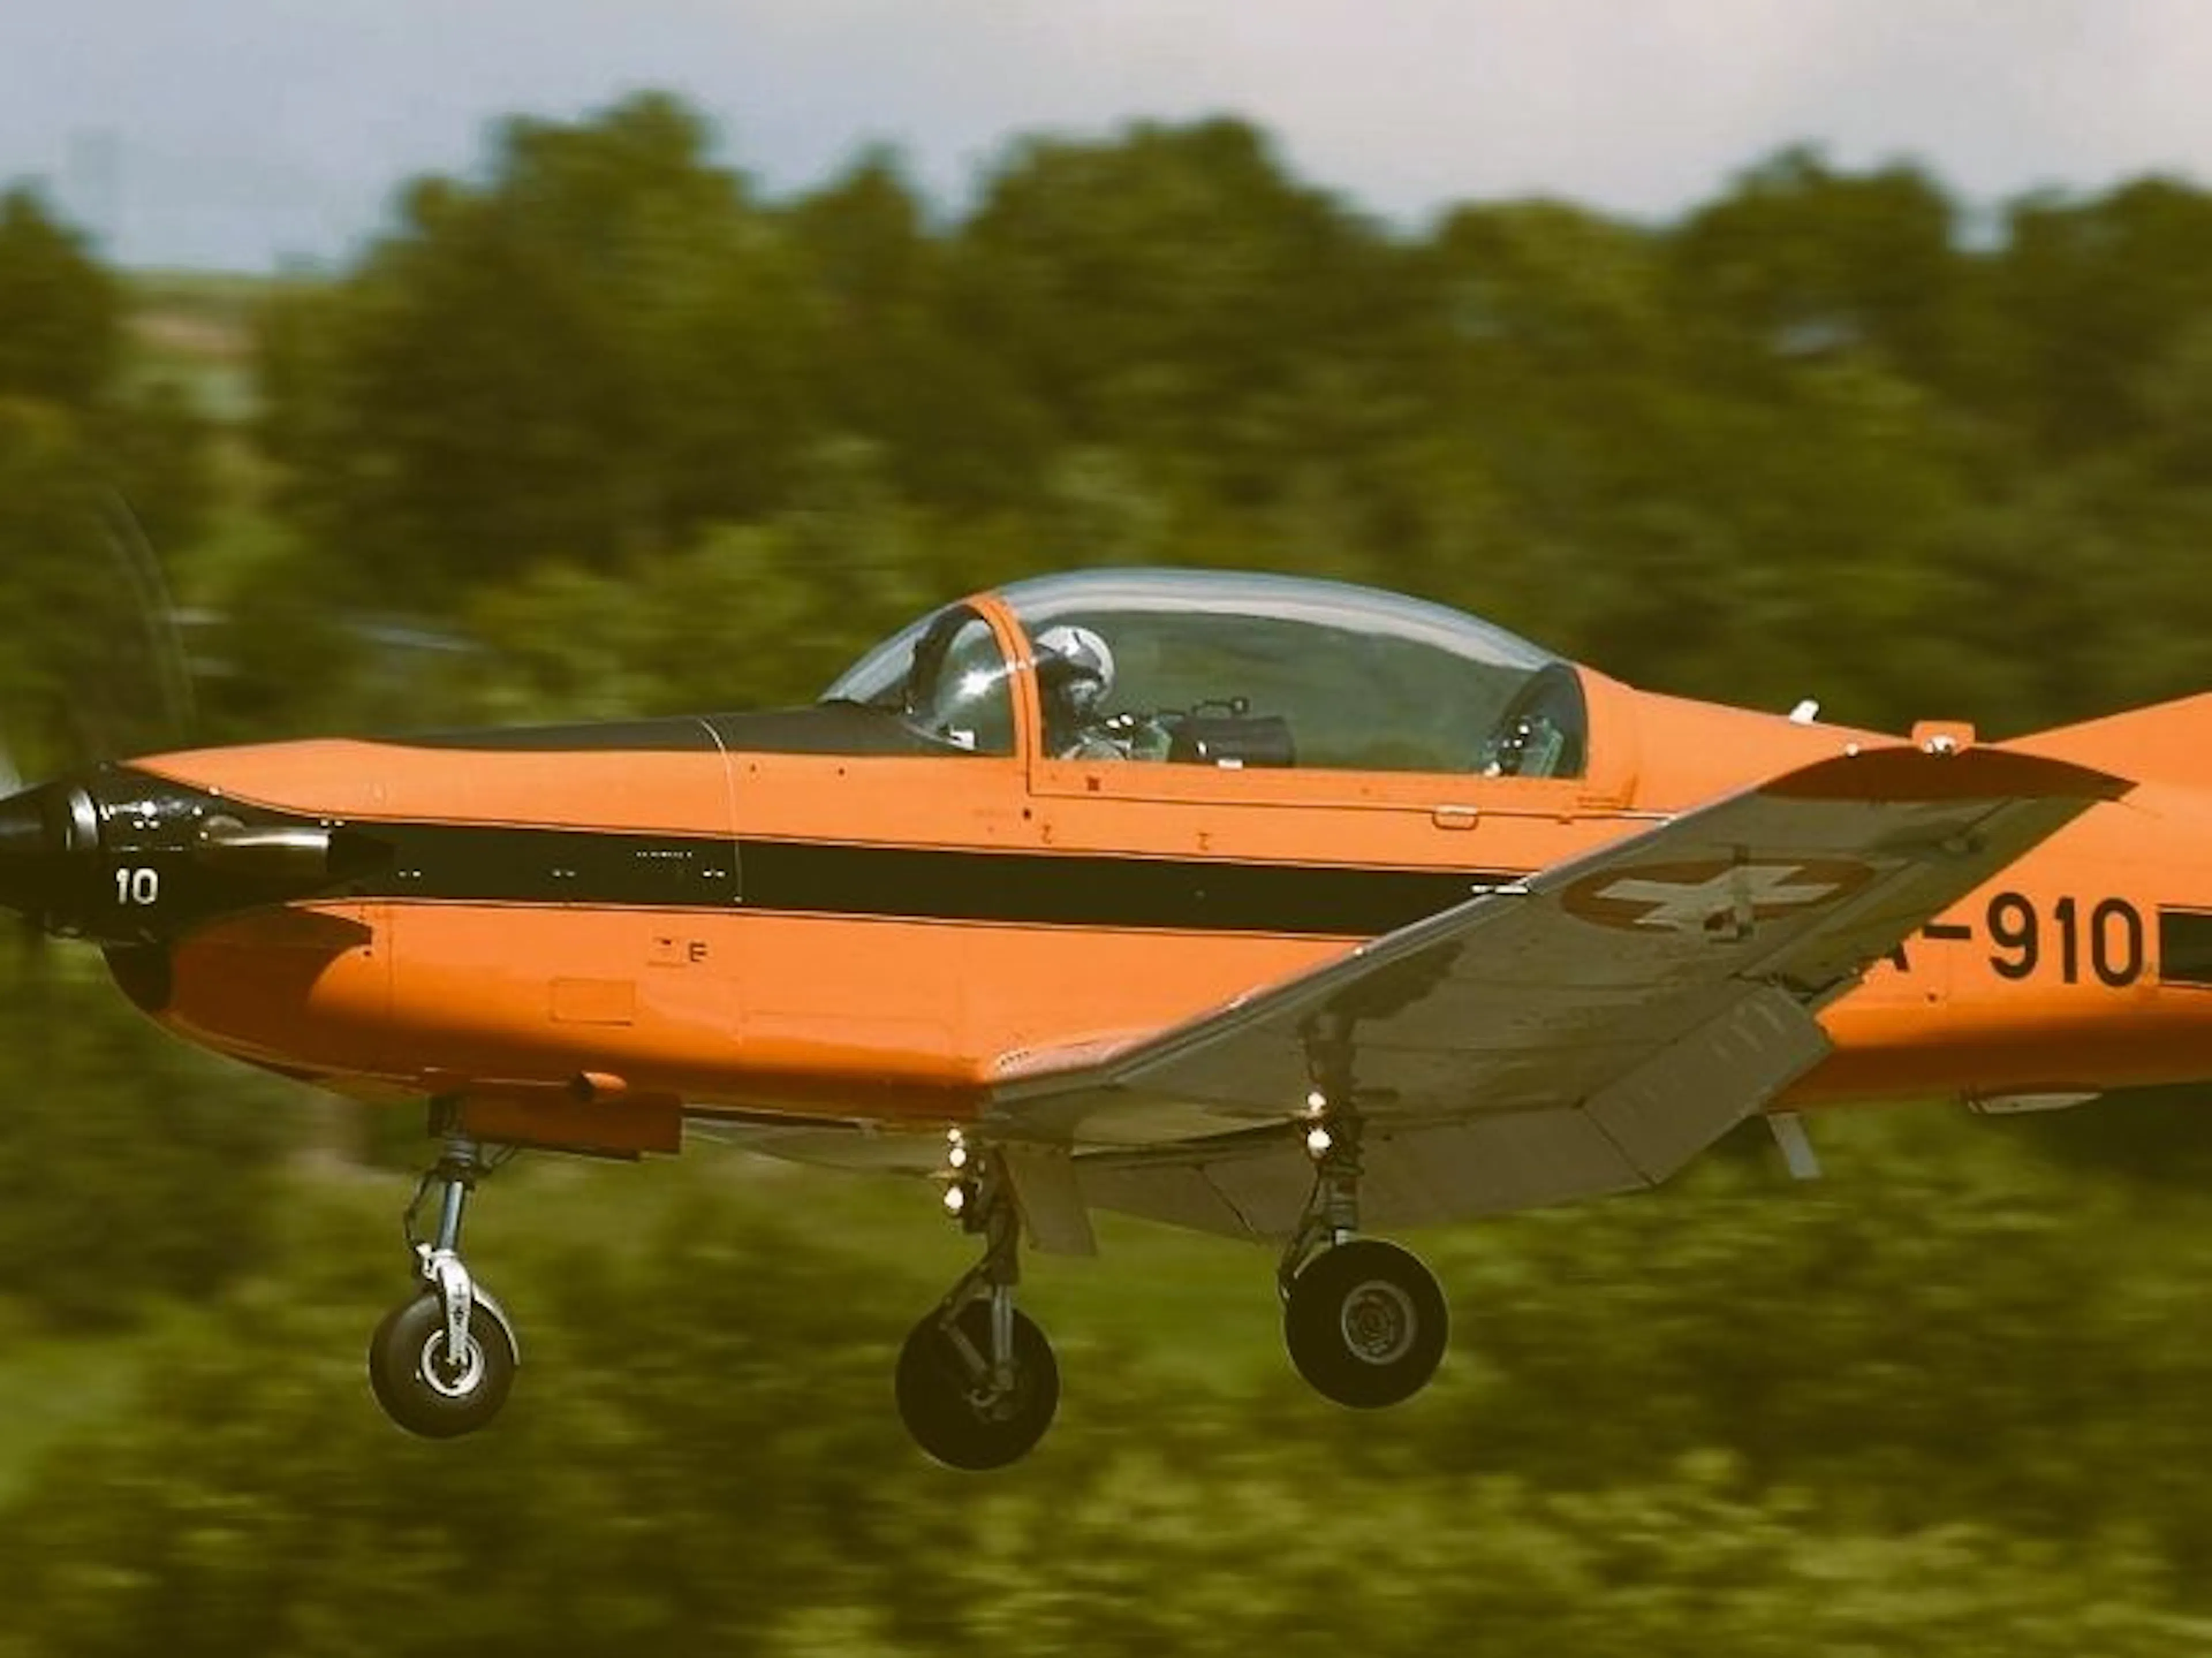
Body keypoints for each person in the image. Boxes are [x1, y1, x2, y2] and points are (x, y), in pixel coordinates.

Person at [1033, 624, 1128, 760]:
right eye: (1044, 680)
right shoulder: (1026, 742)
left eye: (1056, 681)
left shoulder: (1099, 756)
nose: (1045, 693)